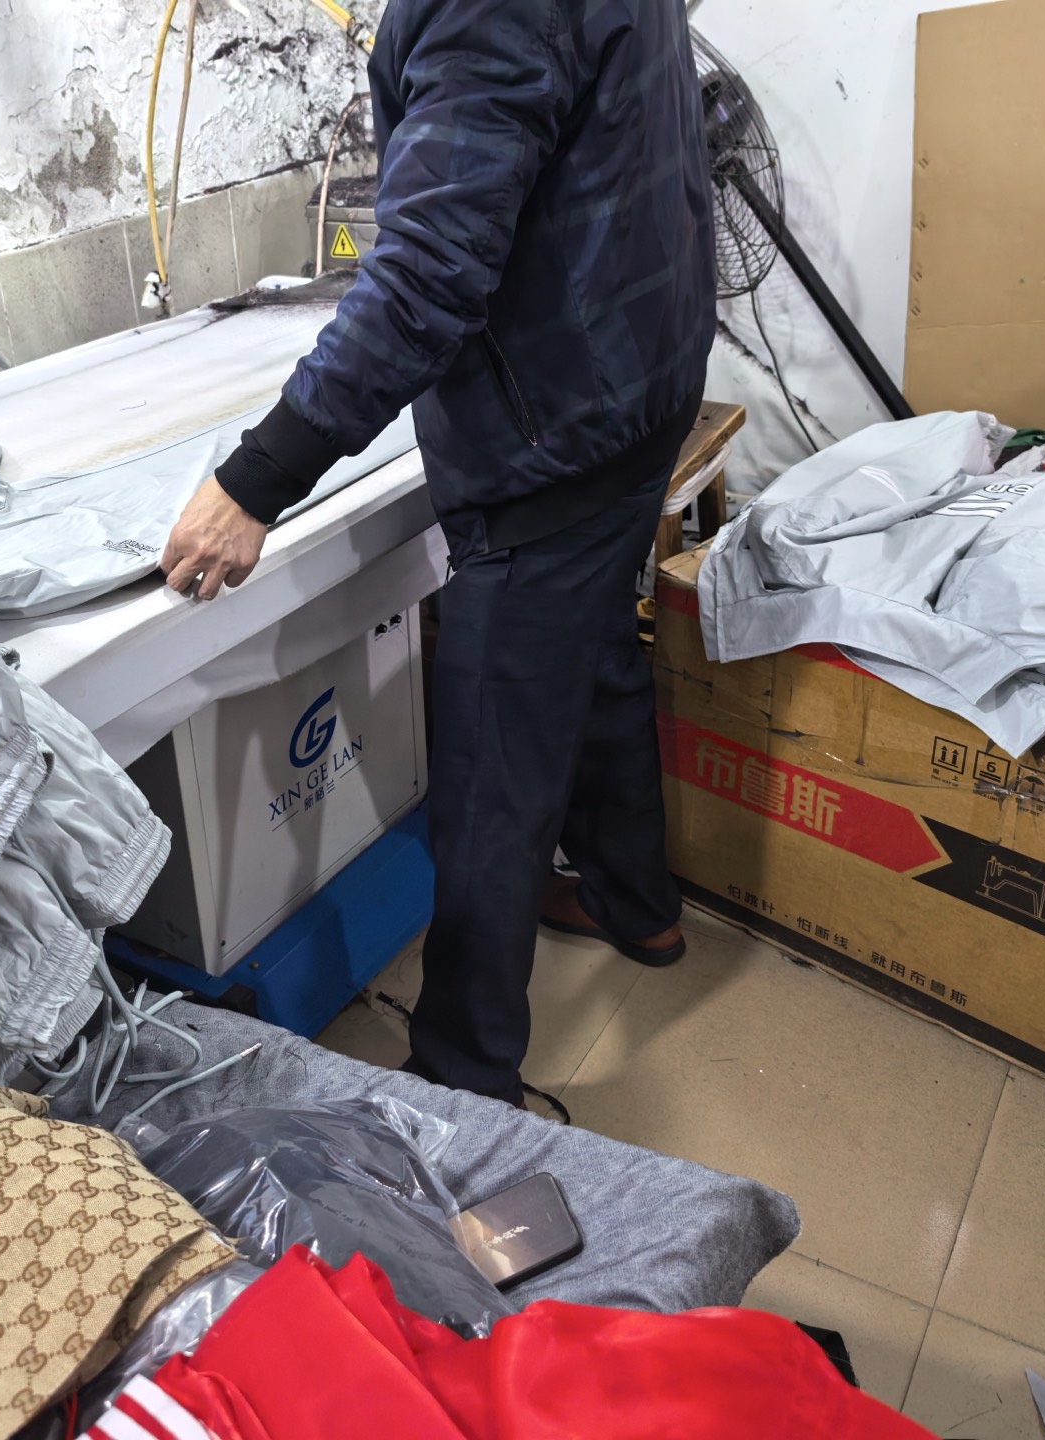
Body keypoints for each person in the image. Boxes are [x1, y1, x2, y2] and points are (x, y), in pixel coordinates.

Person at [159, 0, 717, 1107]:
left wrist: (257, 478)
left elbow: (427, 275)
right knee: (597, 644)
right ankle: (633, 901)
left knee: (492, 766)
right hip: (637, 377)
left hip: (556, 428)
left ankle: (464, 1080)